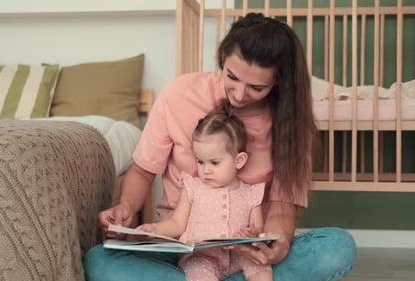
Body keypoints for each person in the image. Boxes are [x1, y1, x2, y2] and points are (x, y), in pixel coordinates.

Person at [84, 12, 357, 281]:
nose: (239, 95)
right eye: (232, 77)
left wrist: (278, 246)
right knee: (99, 260)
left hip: (247, 253)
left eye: (256, 88)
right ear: (222, 59)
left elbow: (282, 207)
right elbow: (143, 169)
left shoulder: (291, 124)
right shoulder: (179, 95)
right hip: (180, 244)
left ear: (278, 82)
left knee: (337, 247)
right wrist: (127, 207)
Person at [137, 100, 272, 281]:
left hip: (238, 255)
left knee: (260, 265)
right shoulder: (193, 187)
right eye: (200, 161)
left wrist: (252, 234)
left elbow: (257, 229)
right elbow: (177, 223)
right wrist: (153, 229)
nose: (205, 170)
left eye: (214, 163)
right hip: (201, 257)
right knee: (197, 272)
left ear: (238, 160)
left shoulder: (250, 193)